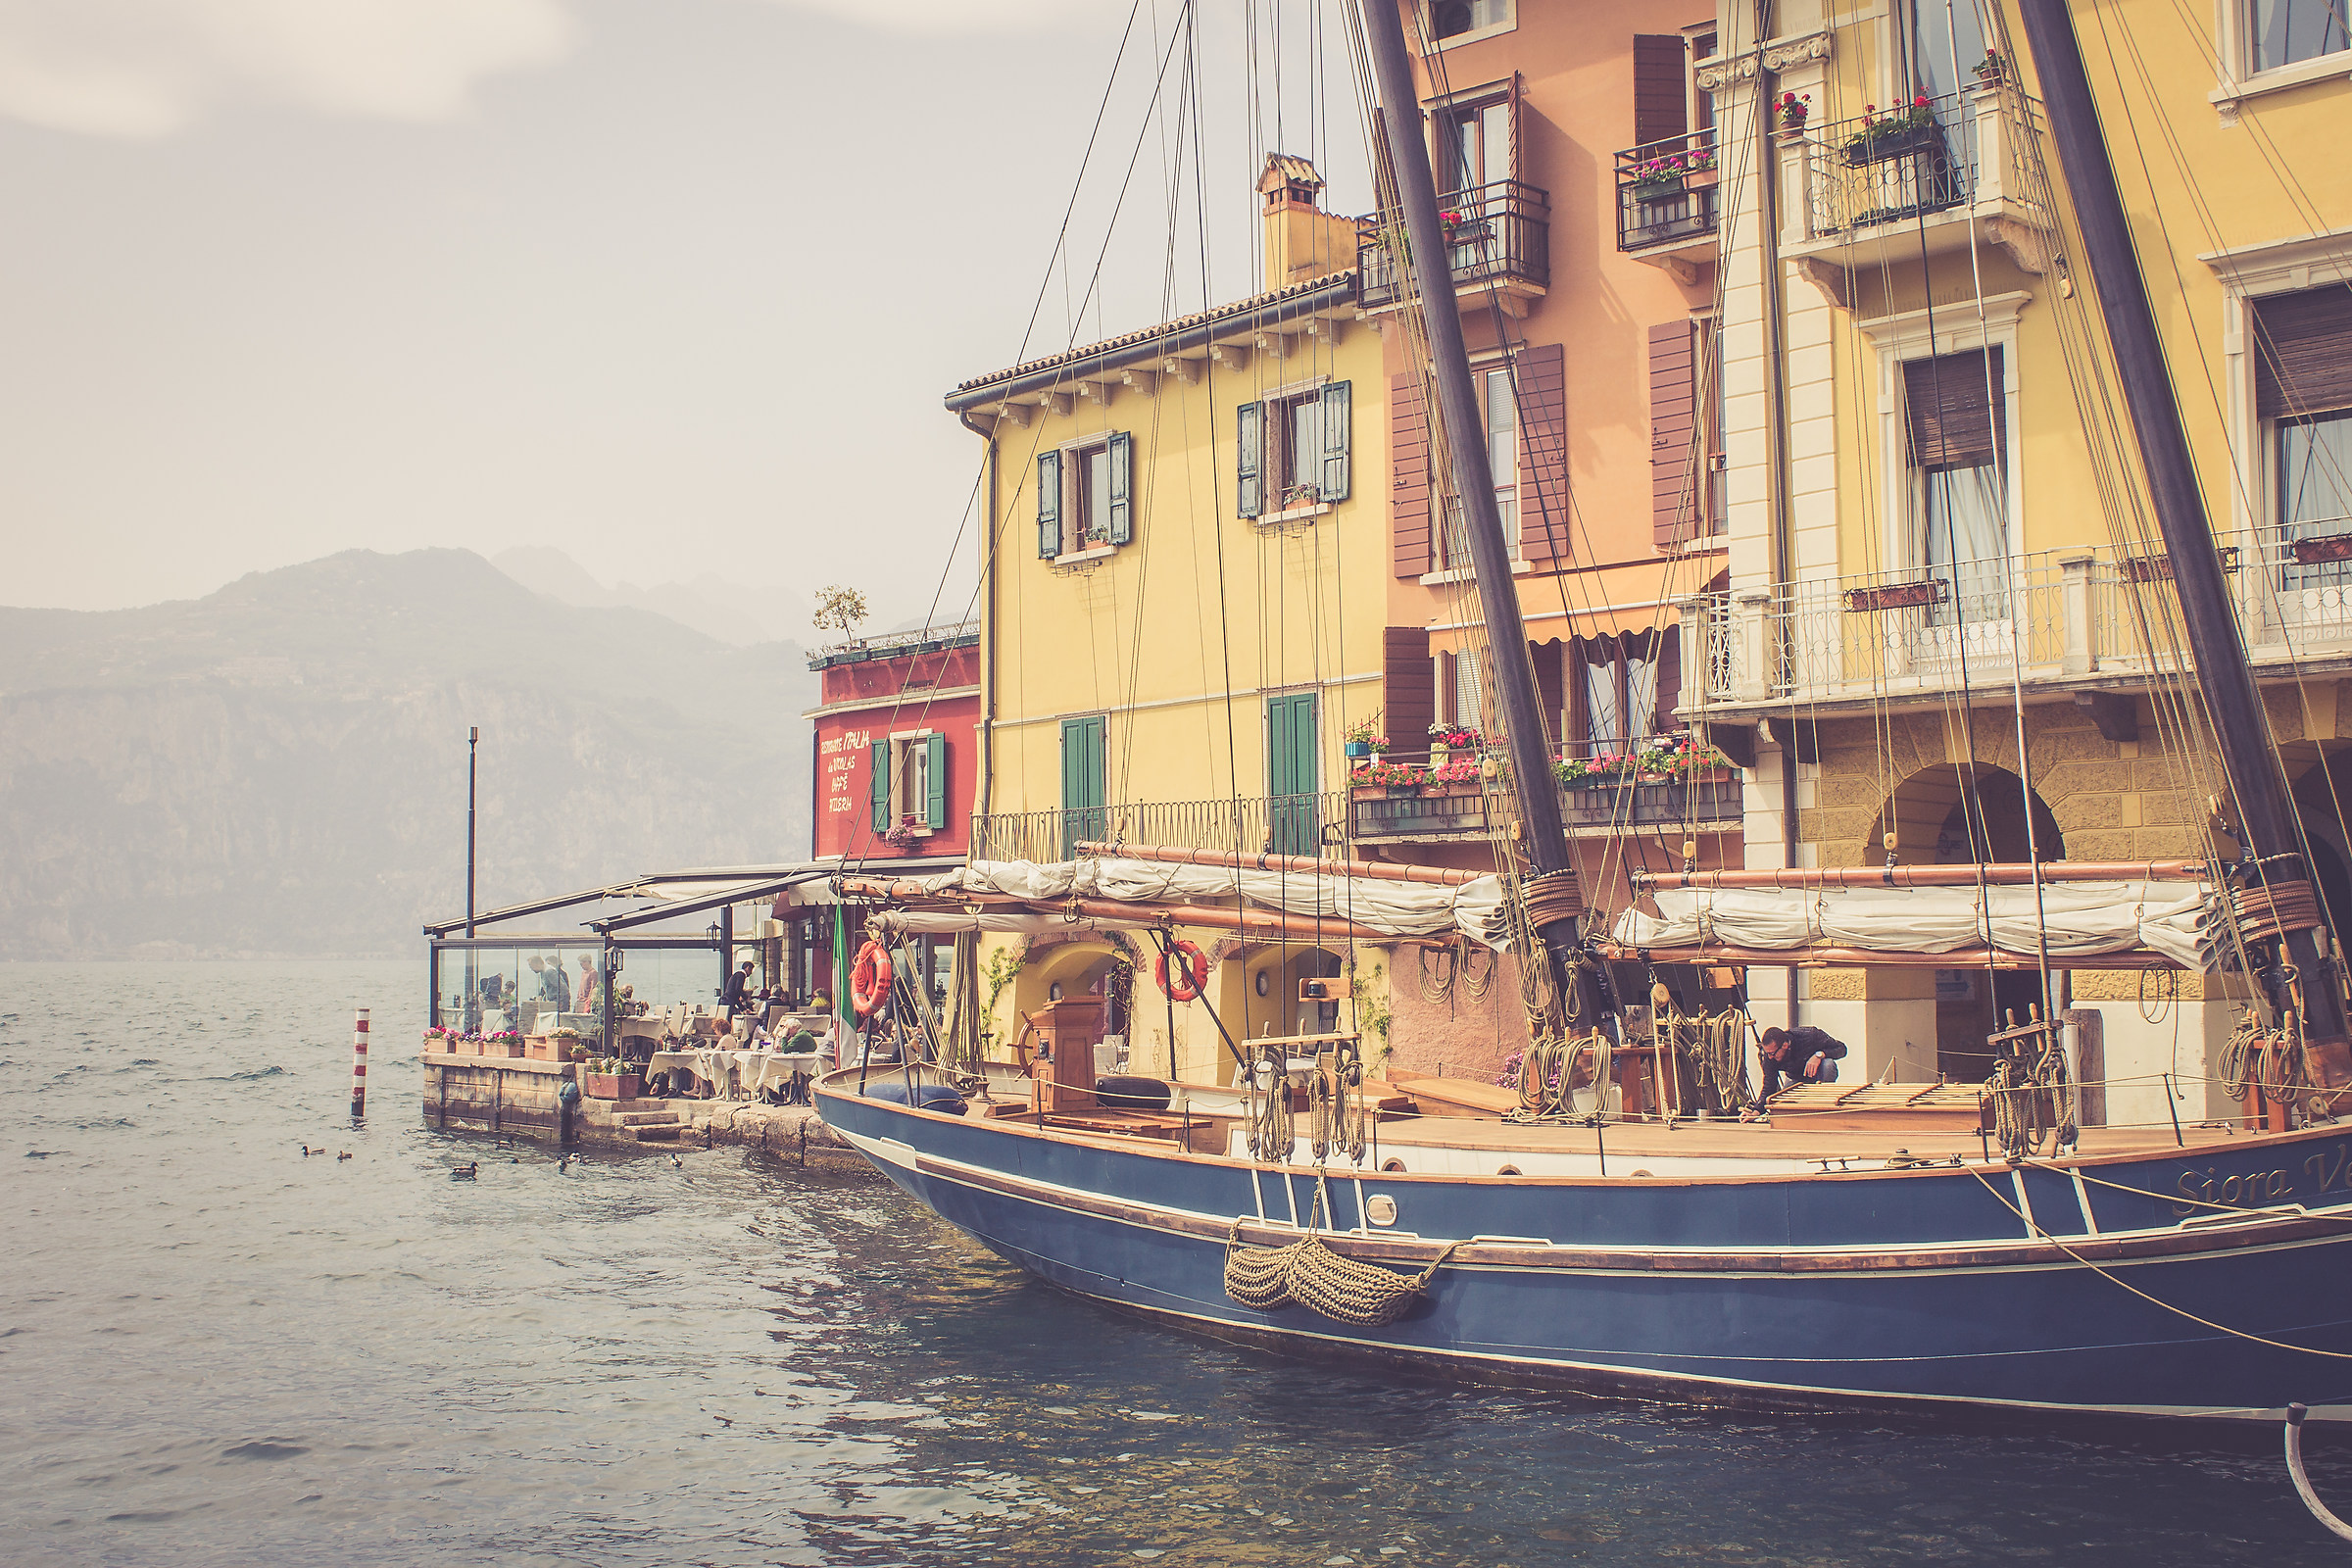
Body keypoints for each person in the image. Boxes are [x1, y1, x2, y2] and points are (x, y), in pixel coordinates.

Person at [1755, 1025, 1848, 1102]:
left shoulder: (1810, 1036)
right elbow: (1769, 1086)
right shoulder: (1770, 1055)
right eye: (1768, 1054)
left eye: (1772, 1054)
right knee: (1783, 1104)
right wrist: (1756, 1111)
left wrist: (1820, 1055)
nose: (1770, 1057)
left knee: (1828, 1064)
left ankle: (1824, 1100)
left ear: (1785, 1045)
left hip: (1819, 1074)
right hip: (1795, 1078)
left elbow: (1841, 1048)